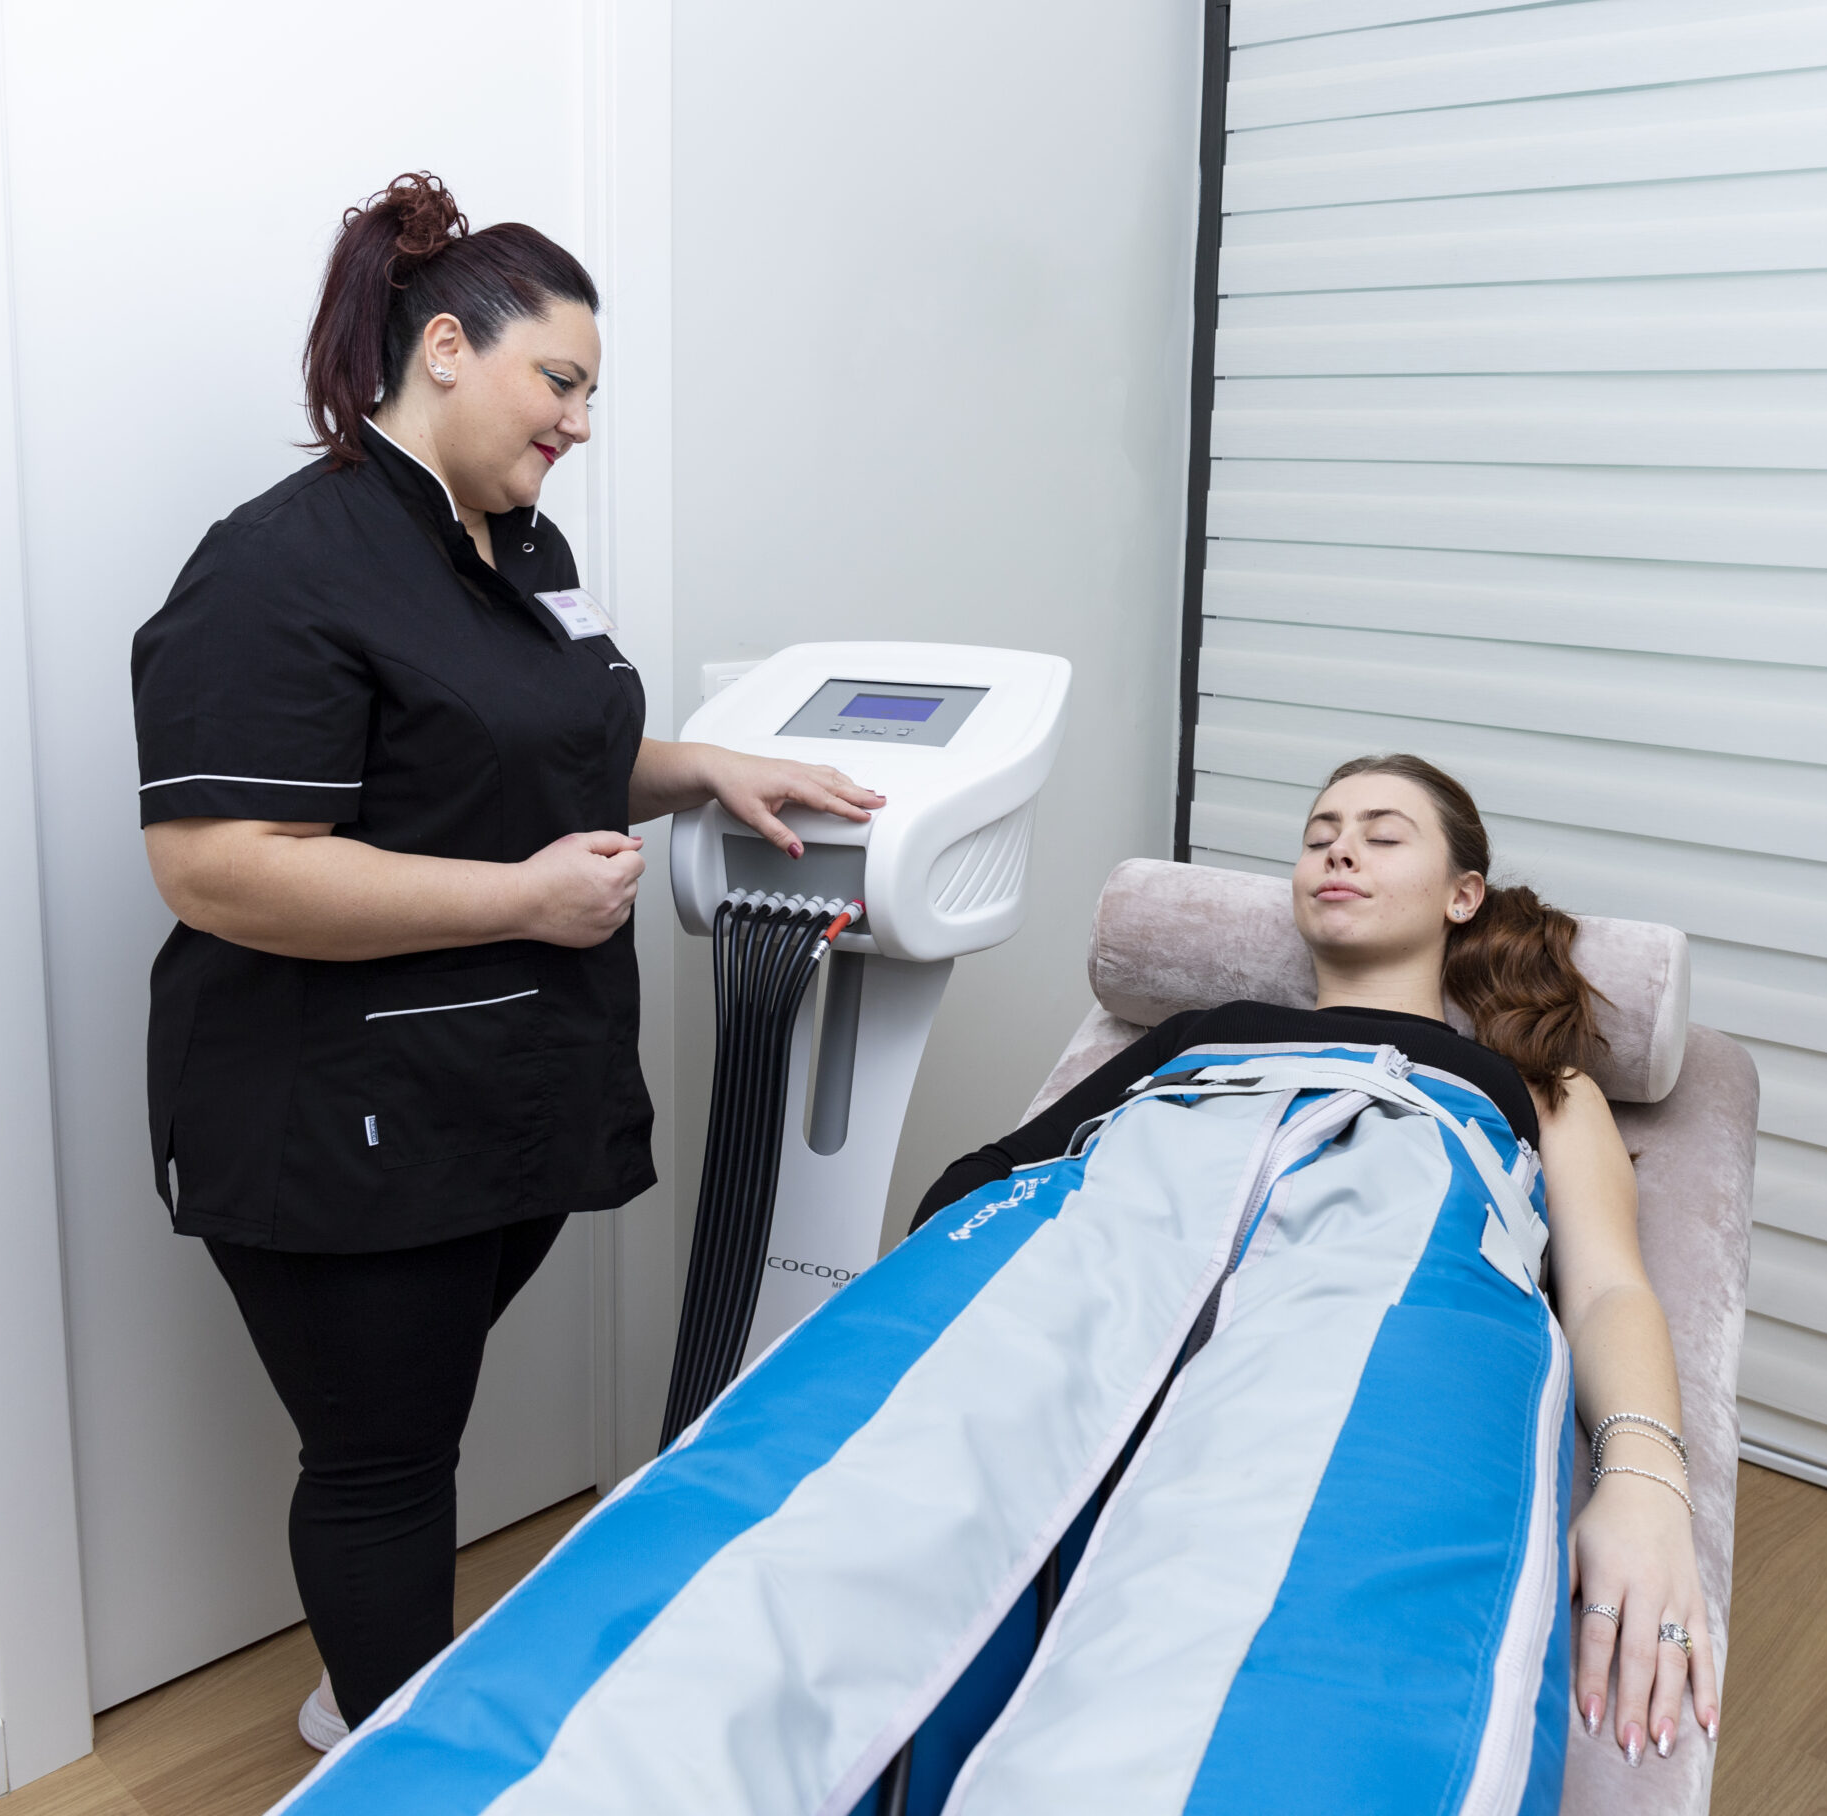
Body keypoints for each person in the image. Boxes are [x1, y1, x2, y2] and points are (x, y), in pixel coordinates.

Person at [130, 171, 883, 1749]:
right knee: (385, 1462)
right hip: (338, 1109)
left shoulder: (516, 545)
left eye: (592, 394)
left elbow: (530, 747)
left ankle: (366, 1692)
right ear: (447, 350)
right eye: (561, 380)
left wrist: (704, 769)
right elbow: (218, 865)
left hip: (497, 1090)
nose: (580, 423)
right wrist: (522, 902)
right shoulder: (281, 564)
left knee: (413, 1413)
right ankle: (402, 1760)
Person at [915, 753, 1720, 1770]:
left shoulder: (1527, 1086)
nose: (1339, 850)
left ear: (1463, 895)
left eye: (1382, 836)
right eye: (1318, 836)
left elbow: (1605, 1287)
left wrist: (1645, 1483)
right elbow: (987, 1179)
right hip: (1087, 1329)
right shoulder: (1199, 1040)